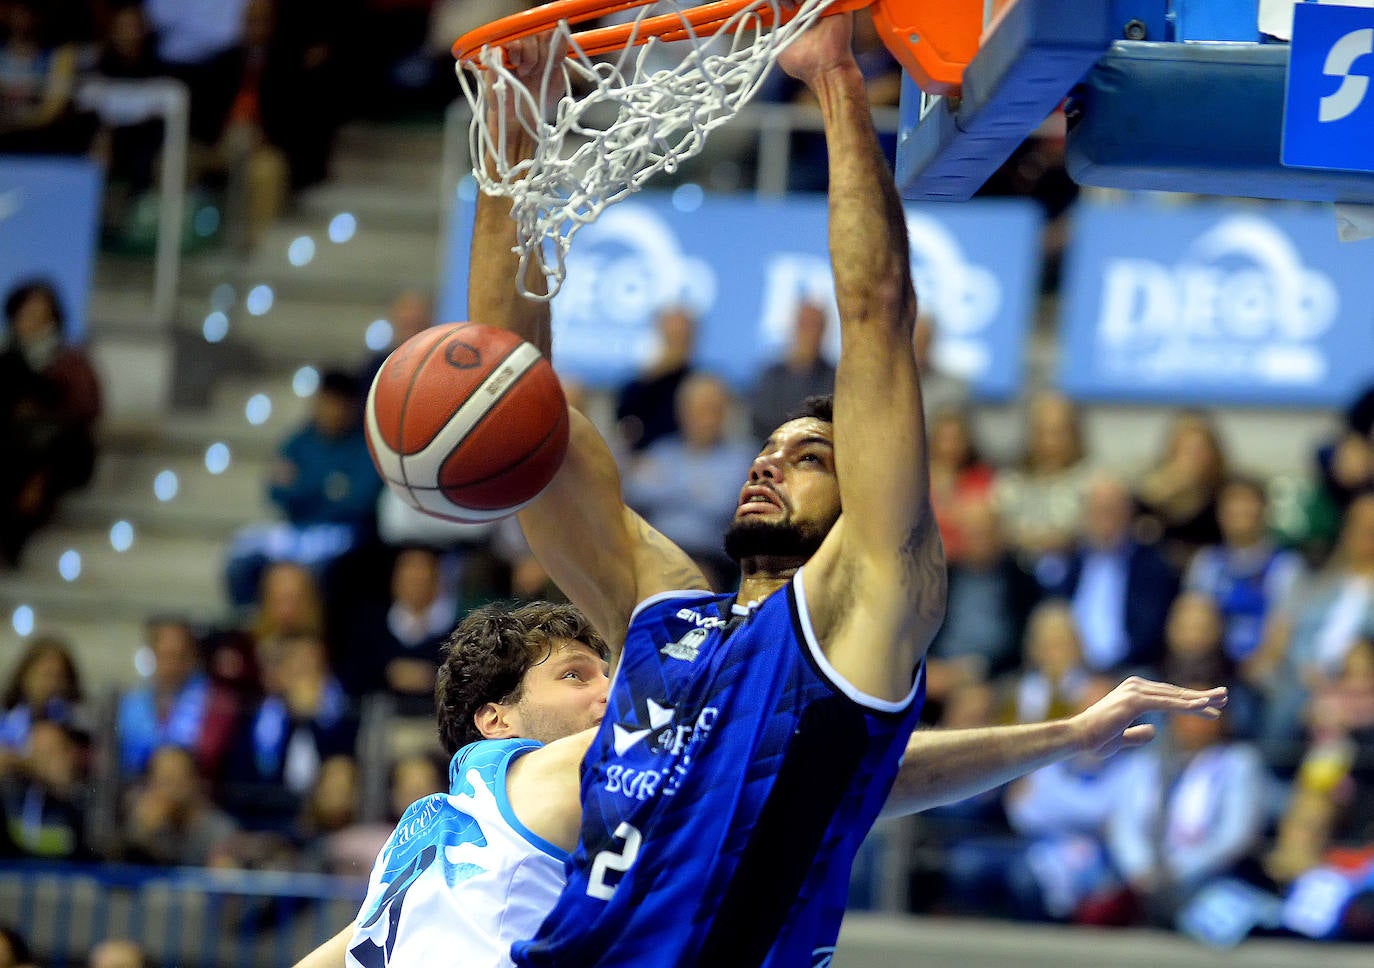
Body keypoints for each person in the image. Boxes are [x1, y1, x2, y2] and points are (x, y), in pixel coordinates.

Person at [462, 20, 1221, 967]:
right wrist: (510, 139)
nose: (768, 462)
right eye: (770, 447)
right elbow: (505, 400)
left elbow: (874, 313)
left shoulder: (866, 606)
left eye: (810, 455)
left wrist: (834, 82)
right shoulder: (663, 614)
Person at [299, 597, 1223, 968]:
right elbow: (831, 772)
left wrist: (1059, 733)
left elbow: (333, 958)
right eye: (575, 676)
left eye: (607, 671)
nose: (611, 693)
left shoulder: (423, 833)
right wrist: (1064, 733)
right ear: (495, 720)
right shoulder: (545, 776)